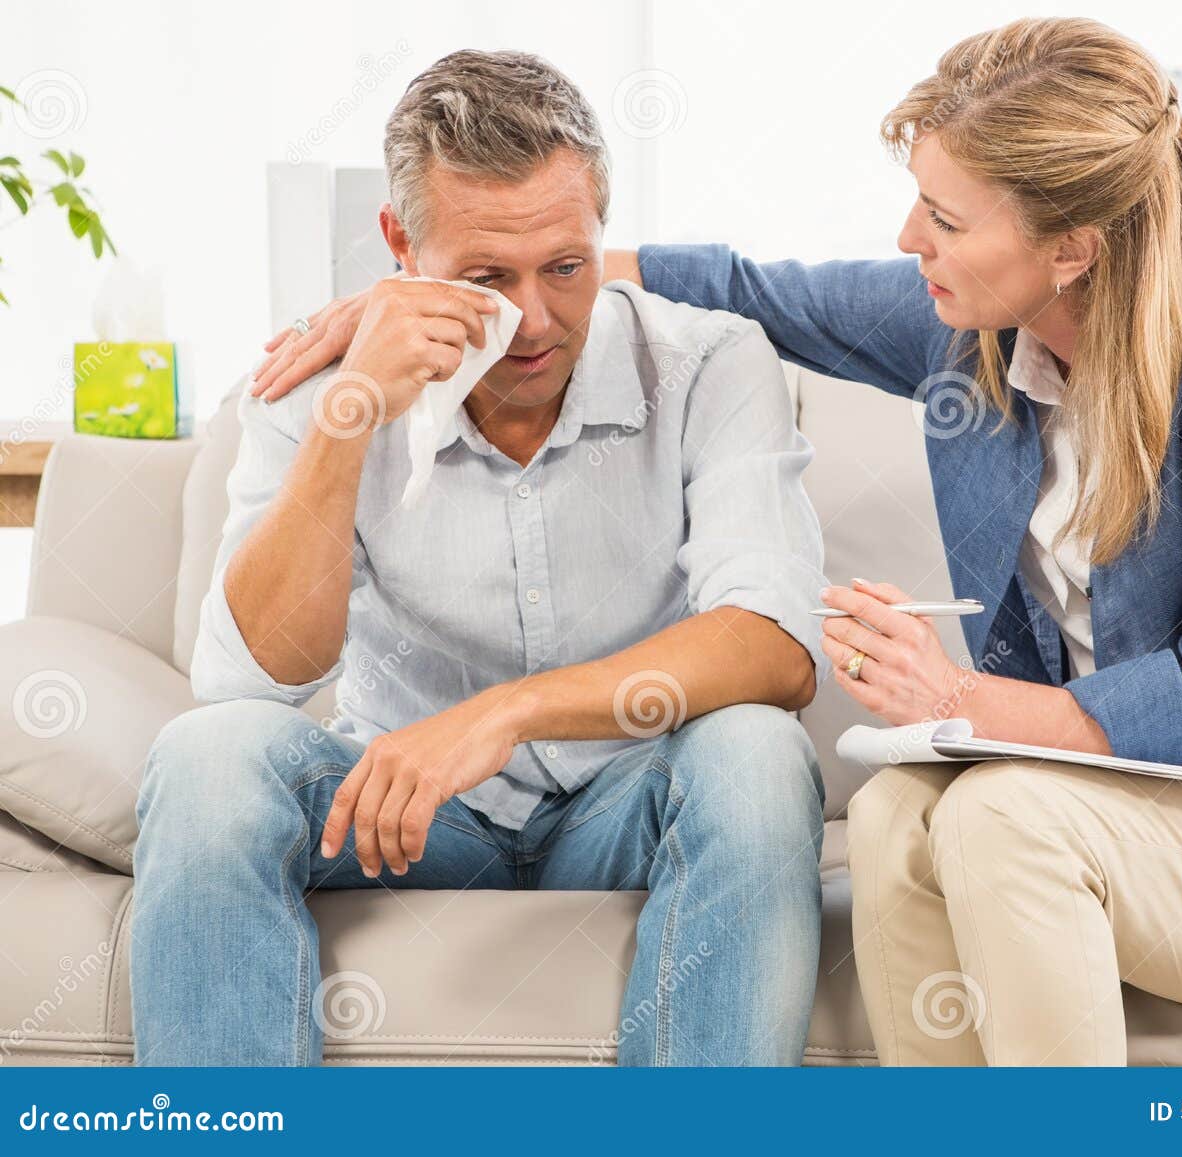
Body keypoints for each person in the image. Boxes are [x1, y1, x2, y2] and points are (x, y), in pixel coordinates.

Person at [253, 19, 1182, 1066]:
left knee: (1002, 817)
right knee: (911, 809)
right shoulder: (963, 331)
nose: (911, 242)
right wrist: (431, 288)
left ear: (1070, 247)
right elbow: (738, 284)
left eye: (946, 218)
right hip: (1141, 812)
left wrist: (962, 697)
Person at [133, 49, 831, 1067]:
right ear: (398, 244)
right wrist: (349, 416)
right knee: (206, 756)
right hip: (404, 817)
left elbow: (772, 645)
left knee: (758, 754)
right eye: (485, 278)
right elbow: (247, 678)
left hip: (626, 800)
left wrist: (500, 713)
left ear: (600, 225)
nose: (535, 322)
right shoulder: (315, 380)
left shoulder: (709, 363)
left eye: (566, 266)